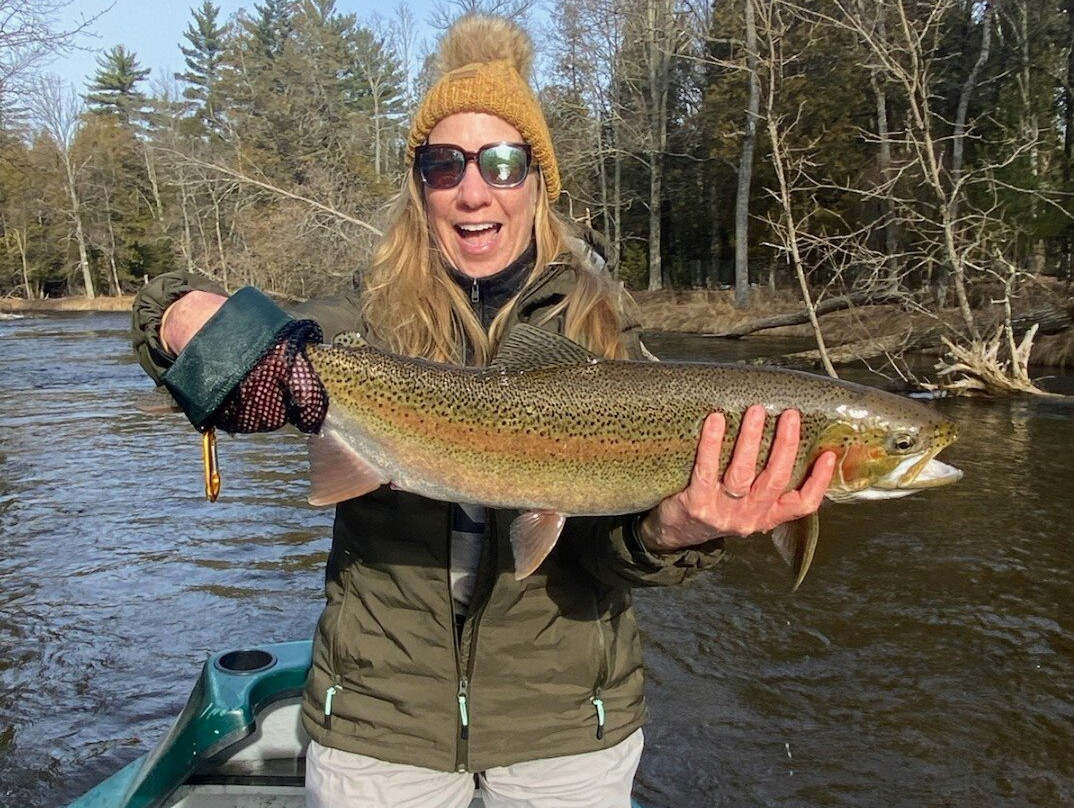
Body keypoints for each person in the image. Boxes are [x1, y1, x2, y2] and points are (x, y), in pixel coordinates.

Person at [131, 14, 834, 808]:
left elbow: (612, 557)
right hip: (379, 726)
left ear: (538, 182)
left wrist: (679, 532)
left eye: (502, 163)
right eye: (443, 164)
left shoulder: (605, 333)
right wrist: (192, 324)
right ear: (420, 185)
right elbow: (172, 330)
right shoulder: (362, 325)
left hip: (567, 731)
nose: (474, 190)